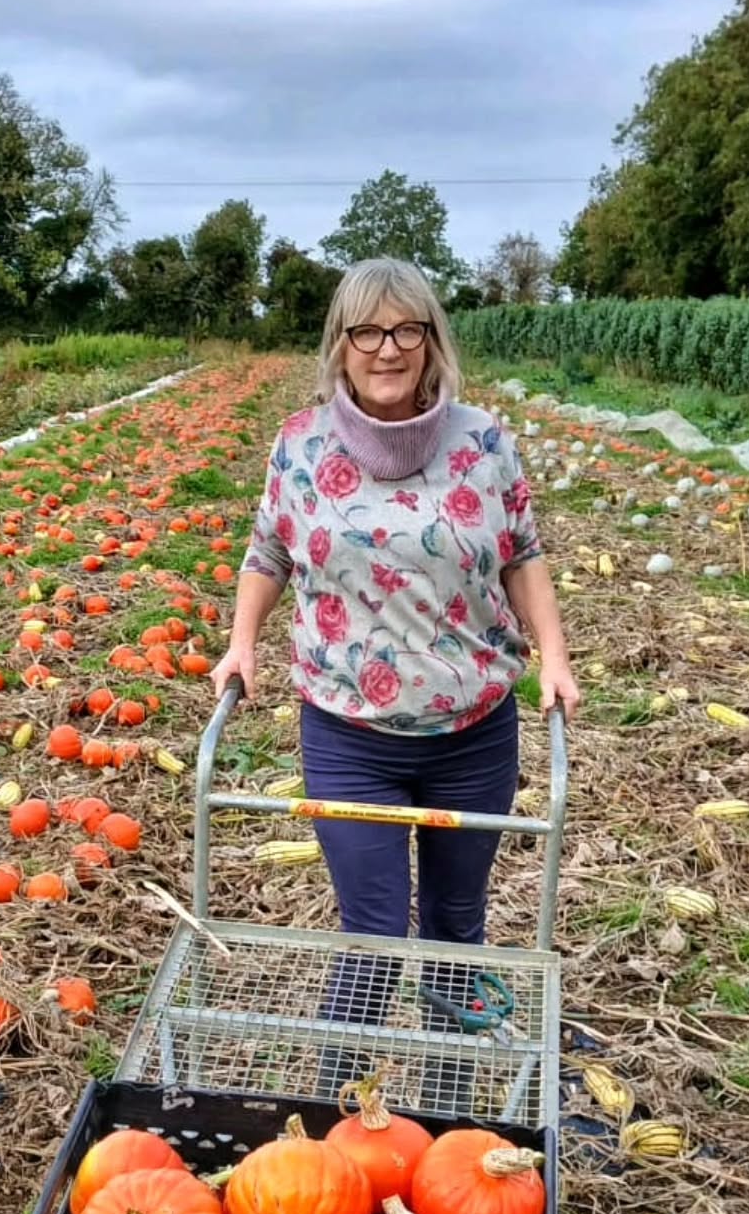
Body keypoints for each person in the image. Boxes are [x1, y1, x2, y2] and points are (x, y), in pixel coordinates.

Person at [212, 257, 580, 1106]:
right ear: (341, 344)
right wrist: (242, 644)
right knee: (373, 930)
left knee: (456, 927)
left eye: (406, 328)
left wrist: (553, 656)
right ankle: (341, 1115)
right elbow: (266, 551)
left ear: (431, 339)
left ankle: (445, 1110)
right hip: (348, 736)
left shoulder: (483, 441)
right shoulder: (300, 443)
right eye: (368, 331)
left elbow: (522, 552)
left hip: (474, 731)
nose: (387, 348)